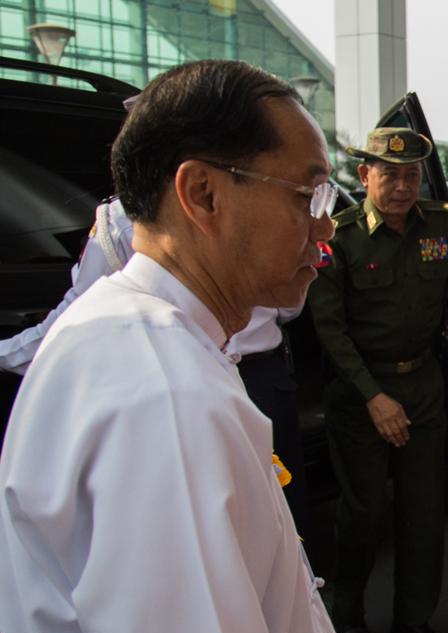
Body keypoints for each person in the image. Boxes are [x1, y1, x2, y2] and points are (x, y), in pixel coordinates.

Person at [0, 59, 354, 633]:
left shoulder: (133, 341)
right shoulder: (164, 396)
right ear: (203, 194)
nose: (325, 229)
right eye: (307, 195)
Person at [0, 197, 313, 538]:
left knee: (265, 525)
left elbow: (78, 312)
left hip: (234, 382)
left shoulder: (129, 212)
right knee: (218, 528)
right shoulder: (253, 198)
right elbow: (82, 313)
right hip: (202, 384)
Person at [307, 127, 448, 633]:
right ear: (364, 175)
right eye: (389, 173)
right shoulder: (340, 237)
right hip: (360, 393)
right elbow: (330, 330)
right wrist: (372, 396)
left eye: (411, 174)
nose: (403, 185)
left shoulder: (441, 224)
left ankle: (415, 618)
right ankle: (347, 617)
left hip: (425, 387)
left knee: (423, 512)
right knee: (362, 514)